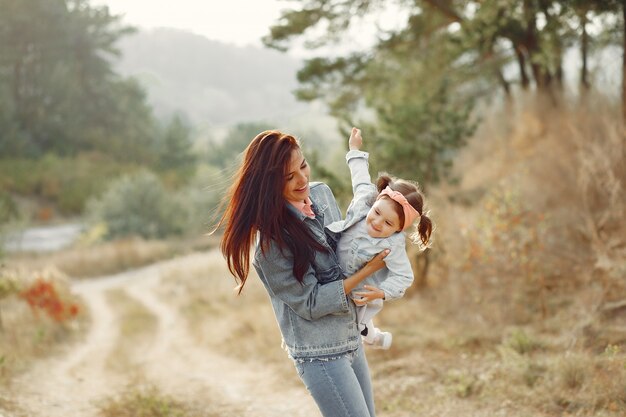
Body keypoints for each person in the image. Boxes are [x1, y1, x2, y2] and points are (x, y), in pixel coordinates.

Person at [216, 130, 390, 417]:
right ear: (269, 184)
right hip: (320, 353)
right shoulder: (270, 246)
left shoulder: (320, 194)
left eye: (303, 166)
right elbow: (310, 303)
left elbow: (341, 247)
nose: (302, 180)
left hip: (350, 337)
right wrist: (368, 270)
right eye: (288, 177)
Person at [325, 127, 433, 350]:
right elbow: (360, 176)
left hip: (358, 290)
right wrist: (354, 149)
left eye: (388, 224)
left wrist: (382, 292)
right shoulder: (366, 199)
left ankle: (374, 337)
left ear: (398, 229)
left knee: (360, 321)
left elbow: (404, 276)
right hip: (333, 267)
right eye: (377, 213)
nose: (377, 223)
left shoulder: (392, 245)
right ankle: (372, 336)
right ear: (376, 201)